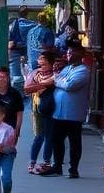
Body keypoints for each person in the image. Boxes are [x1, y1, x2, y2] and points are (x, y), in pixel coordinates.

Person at [40, 40, 90, 178]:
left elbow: (70, 85)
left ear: (81, 54)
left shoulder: (83, 70)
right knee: (56, 140)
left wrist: (57, 80)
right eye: (68, 51)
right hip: (59, 113)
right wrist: (58, 79)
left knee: (74, 142)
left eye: (72, 51)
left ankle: (73, 169)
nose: (69, 54)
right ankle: (57, 166)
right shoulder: (68, 69)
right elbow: (58, 79)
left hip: (73, 114)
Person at [24, 50, 56, 175]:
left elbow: (56, 81)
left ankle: (46, 162)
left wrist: (39, 85)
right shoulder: (35, 73)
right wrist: (44, 85)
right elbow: (27, 89)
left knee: (49, 137)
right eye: (40, 59)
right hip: (37, 108)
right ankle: (32, 162)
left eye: (44, 60)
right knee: (39, 136)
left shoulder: (56, 74)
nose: (41, 62)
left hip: (52, 109)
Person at [0, 66, 24, 144]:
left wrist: (17, 129)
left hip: (10, 131)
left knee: (8, 155)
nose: (0, 79)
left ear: (8, 78)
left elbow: (19, 114)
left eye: (3, 77)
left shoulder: (15, 94)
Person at [7, 7, 35, 92]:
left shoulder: (13, 24)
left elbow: (9, 38)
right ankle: (29, 89)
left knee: (15, 75)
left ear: (18, 13)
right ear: (27, 14)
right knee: (29, 72)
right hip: (28, 50)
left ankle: (17, 92)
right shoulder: (33, 25)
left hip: (15, 49)